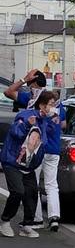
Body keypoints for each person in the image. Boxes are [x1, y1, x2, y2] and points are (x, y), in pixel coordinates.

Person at [0, 91, 53, 239]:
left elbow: (42, 143)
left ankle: (27, 225)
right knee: (18, 191)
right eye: (50, 104)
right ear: (42, 105)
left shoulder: (44, 121)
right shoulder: (26, 116)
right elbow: (15, 132)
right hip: (12, 160)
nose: (53, 108)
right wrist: (27, 125)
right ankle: (5, 221)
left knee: (32, 193)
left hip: (28, 165)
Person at [33, 89, 66, 231]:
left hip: (39, 150)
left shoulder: (38, 114)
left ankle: (37, 218)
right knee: (52, 184)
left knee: (34, 183)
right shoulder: (59, 110)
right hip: (54, 150)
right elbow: (64, 125)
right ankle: (54, 217)